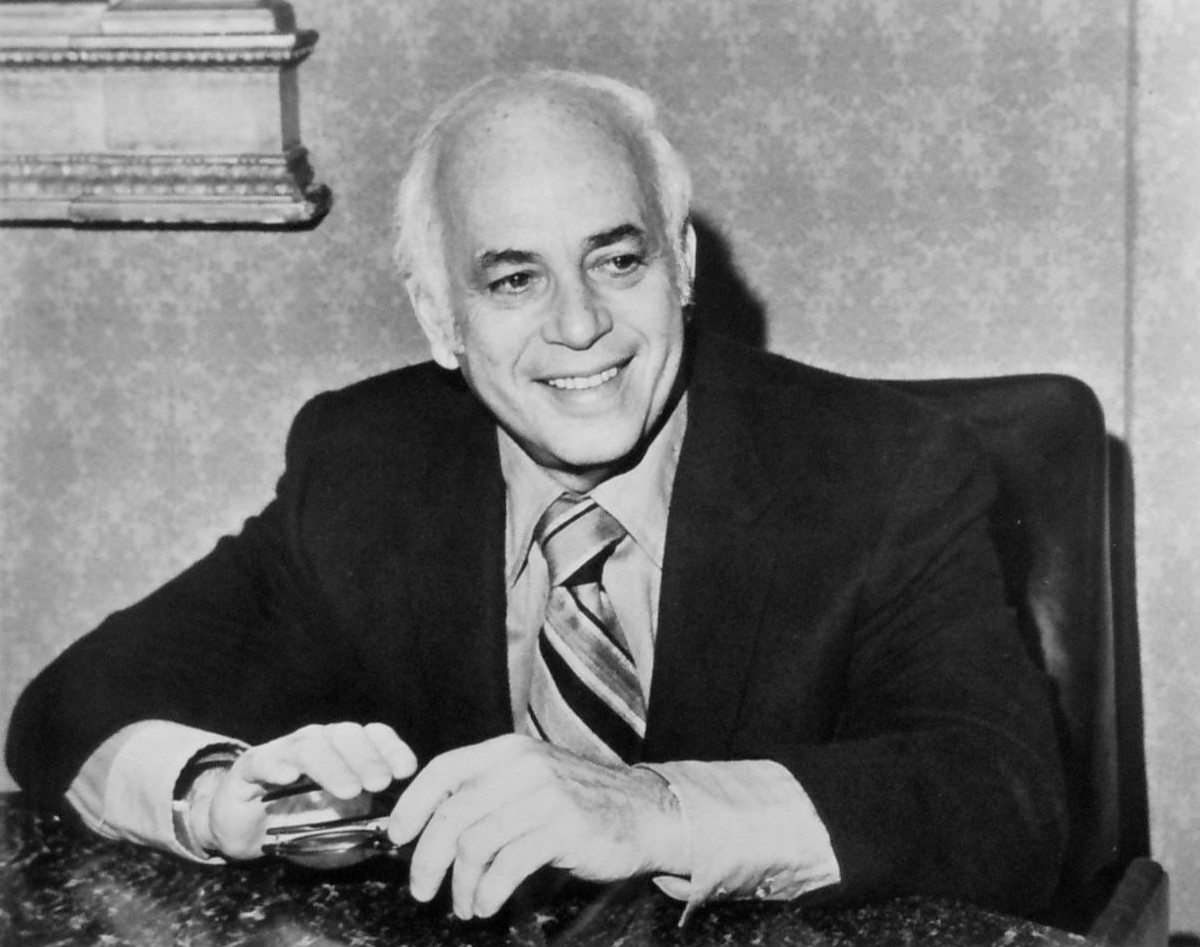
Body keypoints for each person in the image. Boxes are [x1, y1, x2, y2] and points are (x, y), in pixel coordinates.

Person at [6, 68, 1067, 923]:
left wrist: (654, 809)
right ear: (439, 320)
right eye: (512, 278)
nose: (578, 326)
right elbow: (69, 706)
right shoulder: (366, 461)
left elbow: (1005, 800)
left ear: (682, 264)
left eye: (617, 258)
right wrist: (223, 794)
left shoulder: (891, 469)